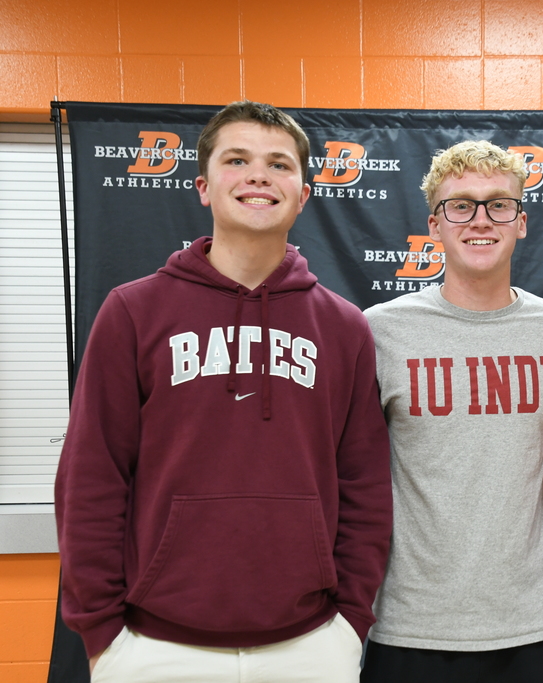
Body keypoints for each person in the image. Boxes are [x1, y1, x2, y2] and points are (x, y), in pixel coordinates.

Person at [54, 101, 392, 683]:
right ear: (204, 187)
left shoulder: (343, 327)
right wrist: (103, 635)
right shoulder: (134, 311)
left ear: (304, 193)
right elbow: (92, 475)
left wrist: (349, 624)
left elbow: (363, 484)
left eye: (279, 164)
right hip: (152, 645)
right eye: (237, 160)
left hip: (310, 646)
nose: (259, 175)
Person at [360, 140, 543, 683]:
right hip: (411, 626)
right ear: (434, 225)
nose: (481, 220)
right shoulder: (381, 330)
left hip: (529, 624)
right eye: (460, 205)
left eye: (498, 204)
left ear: (521, 221)